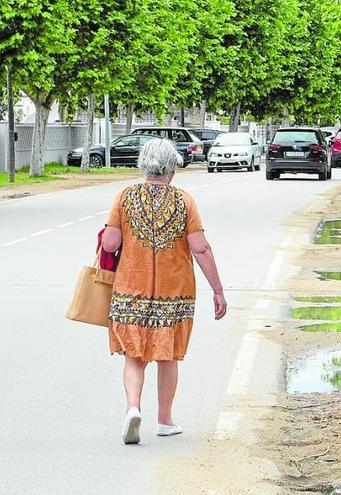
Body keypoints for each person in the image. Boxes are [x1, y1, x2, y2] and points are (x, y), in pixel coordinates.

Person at [101, 138, 227, 445]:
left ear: (143, 165)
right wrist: (218, 290)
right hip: (175, 293)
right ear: (172, 169)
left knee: (134, 354)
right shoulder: (185, 201)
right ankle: (165, 420)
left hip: (130, 289)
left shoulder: (124, 197)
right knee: (168, 356)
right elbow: (201, 248)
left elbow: (110, 245)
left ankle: (133, 408)